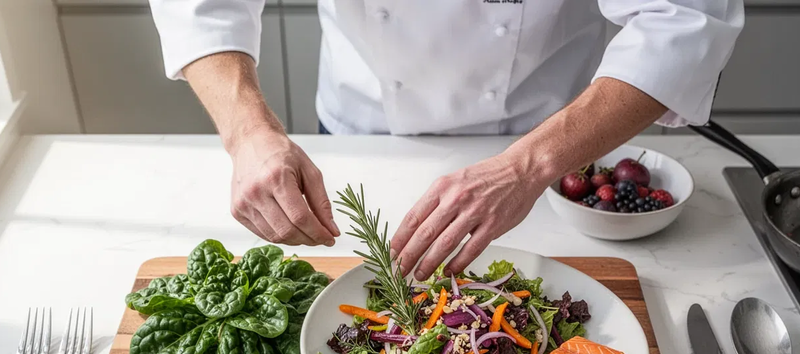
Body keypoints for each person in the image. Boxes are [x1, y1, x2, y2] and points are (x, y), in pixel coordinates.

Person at [149, 1, 743, 280]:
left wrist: (525, 168)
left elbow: (683, 20)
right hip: (362, 134)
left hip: (549, 140)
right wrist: (248, 132)